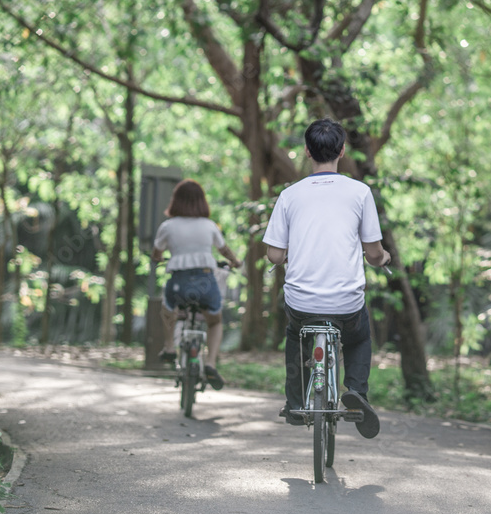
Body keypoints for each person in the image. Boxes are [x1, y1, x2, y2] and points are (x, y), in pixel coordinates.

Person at [262, 118, 391, 438]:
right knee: (360, 335)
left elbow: (275, 256)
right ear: (342, 151)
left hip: (301, 302)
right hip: (346, 303)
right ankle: (357, 392)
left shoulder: (290, 195)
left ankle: (294, 402)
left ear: (307, 151)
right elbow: (373, 254)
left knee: (295, 334)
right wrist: (383, 258)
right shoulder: (360, 193)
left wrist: (293, 252)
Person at [152, 179, 242, 389]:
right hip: (205, 283)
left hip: (179, 284)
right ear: (201, 202)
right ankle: (210, 363)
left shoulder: (168, 226)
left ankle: (169, 347)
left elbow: (156, 253)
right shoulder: (209, 226)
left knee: (167, 309)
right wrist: (235, 262)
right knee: (215, 321)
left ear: (176, 201)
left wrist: (159, 258)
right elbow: (224, 250)